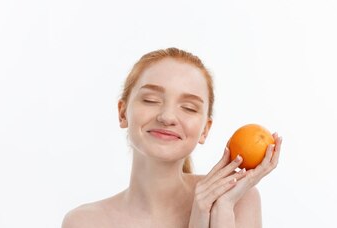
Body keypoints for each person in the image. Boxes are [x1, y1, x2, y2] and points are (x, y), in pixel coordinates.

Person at [62, 47, 283, 227]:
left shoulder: (238, 201)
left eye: (188, 107)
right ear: (122, 113)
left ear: (205, 130)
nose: (167, 117)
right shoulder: (84, 222)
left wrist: (222, 211)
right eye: (150, 100)